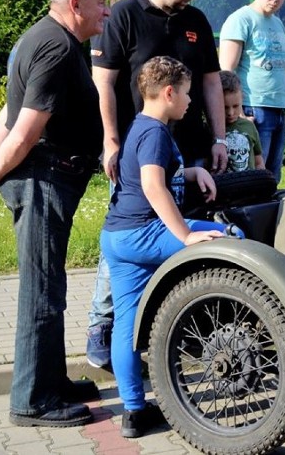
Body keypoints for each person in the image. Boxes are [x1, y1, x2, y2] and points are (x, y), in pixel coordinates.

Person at [0, 0, 109, 427]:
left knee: (50, 286)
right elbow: (25, 127)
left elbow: (7, 110)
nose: (107, 10)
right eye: (101, 3)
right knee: (41, 292)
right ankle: (33, 401)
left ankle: (52, 381)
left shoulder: (41, 39)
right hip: (44, 180)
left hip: (46, 178)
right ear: (76, 4)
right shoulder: (56, 46)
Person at [85, 0, 226, 369]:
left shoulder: (196, 22)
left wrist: (219, 138)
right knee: (127, 240)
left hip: (190, 150)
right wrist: (111, 140)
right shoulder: (126, 16)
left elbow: (213, 84)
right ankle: (102, 325)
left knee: (186, 238)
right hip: (137, 155)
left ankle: (182, 324)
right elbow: (104, 84)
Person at [100, 56, 241, 438]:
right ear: (168, 93)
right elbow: (151, 185)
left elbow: (158, 173)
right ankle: (240, 337)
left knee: (126, 326)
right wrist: (184, 235)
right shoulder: (156, 132)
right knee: (232, 241)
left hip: (117, 237)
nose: (190, 102)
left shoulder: (142, 126)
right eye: (186, 94)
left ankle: (134, 413)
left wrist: (193, 172)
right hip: (144, 233)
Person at [219, 0, 285, 182]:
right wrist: (236, 113)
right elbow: (226, 72)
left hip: (277, 110)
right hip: (252, 107)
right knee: (253, 176)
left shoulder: (278, 23)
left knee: (272, 177)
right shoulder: (240, 19)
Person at [221, 70, 264, 171]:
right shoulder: (210, 129)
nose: (230, 113)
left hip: (249, 184)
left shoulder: (249, 126)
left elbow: (258, 161)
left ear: (242, 99)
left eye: (235, 106)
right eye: (225, 107)